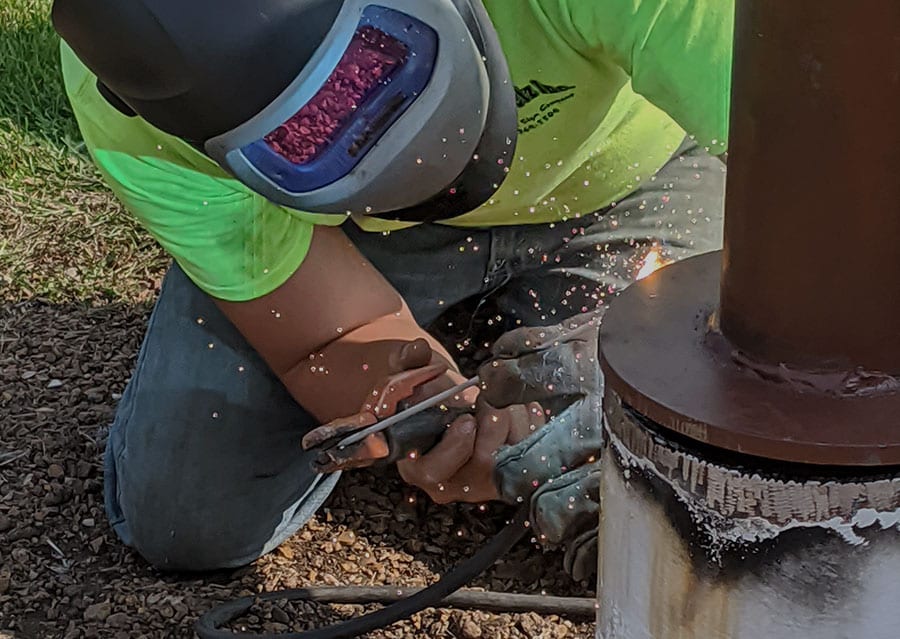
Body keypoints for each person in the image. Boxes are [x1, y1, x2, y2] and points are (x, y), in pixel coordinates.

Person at [52, 0, 732, 579]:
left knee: (685, 482)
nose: (355, 117)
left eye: (386, 73)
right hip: (344, 232)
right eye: (311, 136)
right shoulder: (138, 89)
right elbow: (332, 338)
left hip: (631, 181)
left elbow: (827, 194)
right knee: (188, 515)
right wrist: (437, 417)